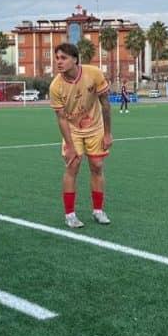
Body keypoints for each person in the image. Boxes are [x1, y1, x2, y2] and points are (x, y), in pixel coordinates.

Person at [49, 42, 113, 229]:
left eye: (63, 58)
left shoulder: (94, 74)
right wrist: (69, 145)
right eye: (57, 58)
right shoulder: (55, 86)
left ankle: (98, 211)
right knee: (73, 166)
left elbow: (106, 105)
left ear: (75, 59)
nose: (58, 62)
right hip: (73, 129)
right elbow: (61, 118)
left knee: (97, 165)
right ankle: (70, 215)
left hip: (95, 127)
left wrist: (108, 133)